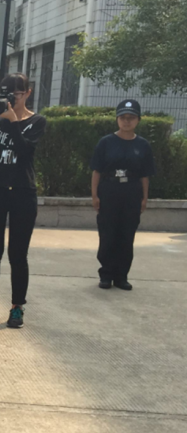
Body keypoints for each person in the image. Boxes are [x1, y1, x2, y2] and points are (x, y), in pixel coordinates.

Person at [0, 73, 46, 329]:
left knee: (18, 253)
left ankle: (17, 306)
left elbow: (25, 152)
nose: (12, 100)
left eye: (17, 95)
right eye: (6, 96)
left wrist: (13, 120)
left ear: (28, 93)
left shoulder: (36, 121)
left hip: (23, 192)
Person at [91, 99, 155, 291]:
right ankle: (106, 275)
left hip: (132, 192)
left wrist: (144, 198)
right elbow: (96, 171)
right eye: (123, 117)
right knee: (108, 233)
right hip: (109, 190)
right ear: (117, 119)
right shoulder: (106, 142)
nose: (127, 121)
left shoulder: (143, 145)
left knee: (127, 235)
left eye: (131, 118)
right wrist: (95, 195)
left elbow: (144, 175)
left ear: (138, 120)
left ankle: (121, 276)